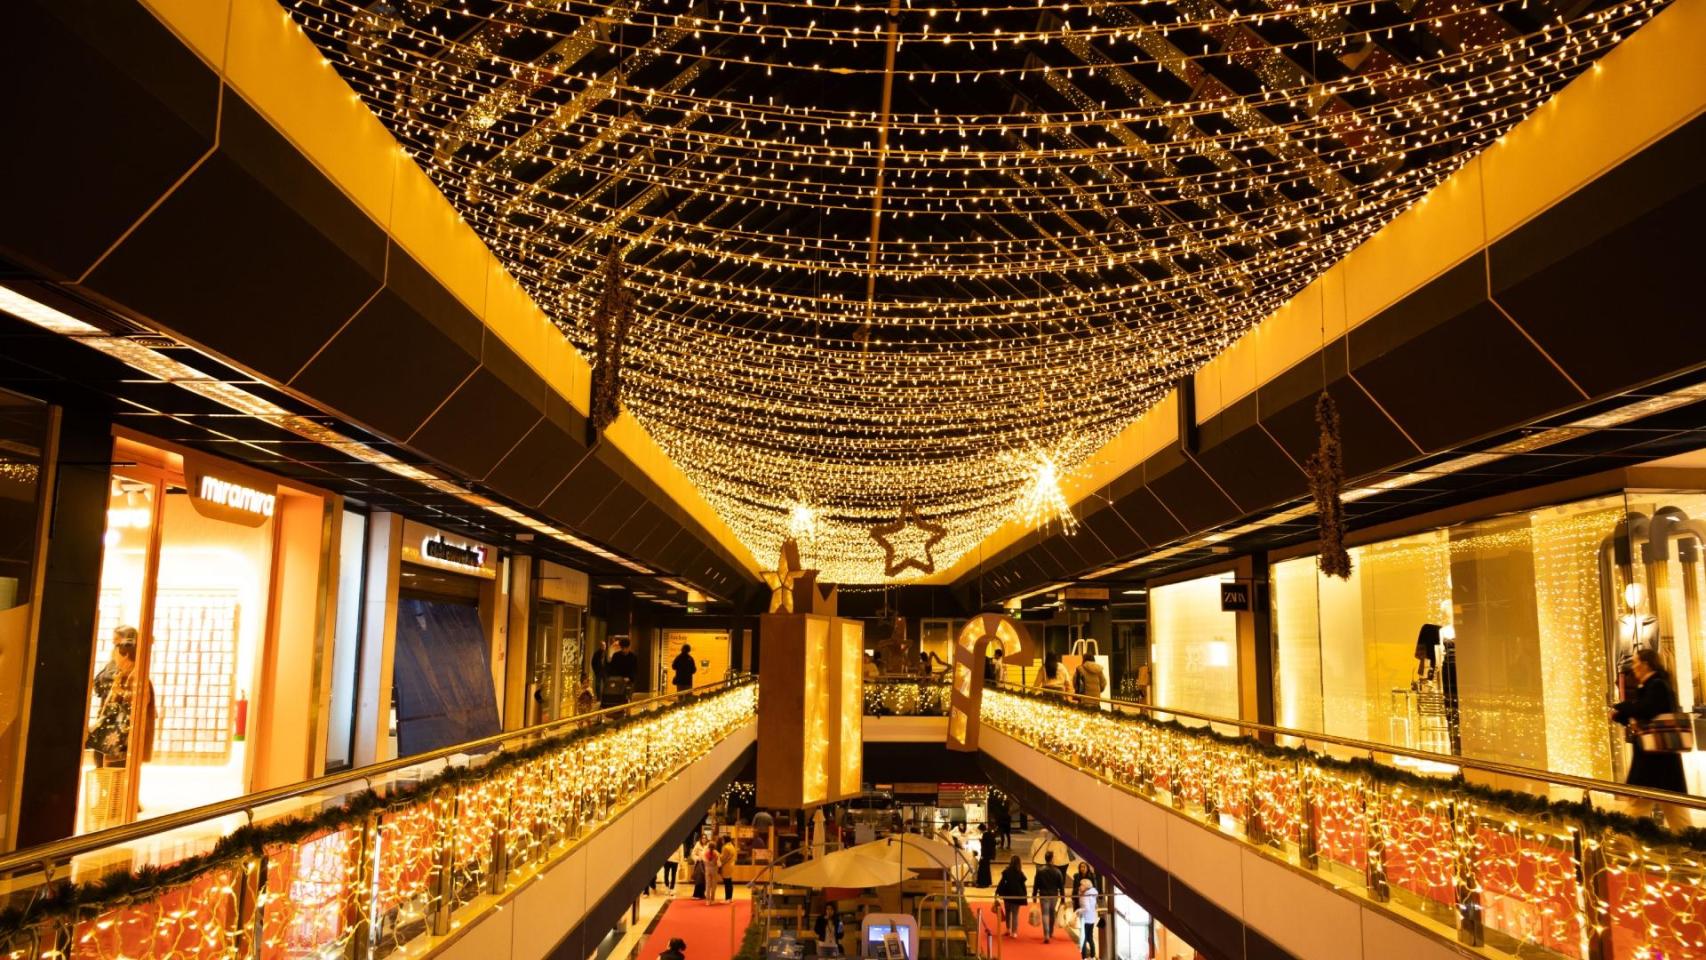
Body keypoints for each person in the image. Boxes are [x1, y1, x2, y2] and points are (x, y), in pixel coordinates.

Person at [1612, 647, 1691, 828]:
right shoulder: (1651, 686)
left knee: (1646, 806)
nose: (1633, 667)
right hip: (1658, 760)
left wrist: (1621, 707)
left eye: (1636, 662)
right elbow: (1643, 715)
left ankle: (1621, 844)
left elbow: (1645, 710)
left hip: (1655, 759)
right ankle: (1691, 845)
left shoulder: (1656, 686)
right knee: (1671, 808)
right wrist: (1620, 715)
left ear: (1646, 664)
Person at [85, 634, 155, 770]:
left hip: (125, 739)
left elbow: (140, 701)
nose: (115, 658)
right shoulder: (123, 674)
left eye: (117, 655)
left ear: (126, 656)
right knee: (108, 771)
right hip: (118, 738)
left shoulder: (136, 675)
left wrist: (120, 692)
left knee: (116, 775)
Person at [1032, 850, 1067, 944]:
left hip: (1043, 894)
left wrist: (1034, 895)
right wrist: (1063, 898)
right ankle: (1051, 932)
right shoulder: (1057, 871)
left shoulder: (1040, 870)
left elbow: (1036, 884)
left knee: (1045, 914)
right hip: (1054, 895)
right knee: (1052, 914)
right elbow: (1061, 885)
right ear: (1052, 859)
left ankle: (1046, 934)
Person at [995, 855, 1027, 937]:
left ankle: (1008, 929)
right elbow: (1023, 886)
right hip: (1017, 896)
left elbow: (1001, 882)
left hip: (1007, 895)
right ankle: (1014, 932)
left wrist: (997, 891)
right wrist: (1025, 896)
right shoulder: (1020, 873)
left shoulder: (1006, 871)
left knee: (1008, 912)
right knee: (1015, 914)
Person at [1077, 877, 1099, 959]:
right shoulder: (1092, 893)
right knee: (1090, 937)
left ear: (1086, 886)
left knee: (1083, 938)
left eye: (1081, 885)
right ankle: (1093, 955)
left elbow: (1086, 908)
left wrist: (1078, 911)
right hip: (1092, 918)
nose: (1080, 887)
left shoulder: (1085, 896)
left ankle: (1084, 957)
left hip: (1085, 919)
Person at [975, 823, 994, 888]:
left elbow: (985, 846)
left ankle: (983, 883)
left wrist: (982, 855)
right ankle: (987, 882)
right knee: (986, 869)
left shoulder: (985, 835)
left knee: (982, 869)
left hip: (985, 855)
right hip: (988, 855)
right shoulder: (989, 834)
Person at [721, 835, 738, 902]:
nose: (722, 841)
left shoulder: (725, 847)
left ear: (725, 840)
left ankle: (727, 898)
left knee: (727, 883)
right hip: (731, 866)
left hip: (726, 866)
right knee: (729, 882)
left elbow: (722, 858)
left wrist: (718, 855)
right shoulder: (732, 846)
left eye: (722, 839)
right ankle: (729, 898)